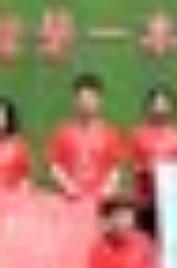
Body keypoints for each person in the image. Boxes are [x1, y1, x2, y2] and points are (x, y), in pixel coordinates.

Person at [47, 73, 126, 203]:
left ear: (99, 100)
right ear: (75, 101)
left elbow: (116, 168)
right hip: (69, 199)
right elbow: (54, 165)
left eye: (91, 98)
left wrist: (107, 189)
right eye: (82, 98)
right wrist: (68, 186)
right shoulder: (63, 132)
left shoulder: (110, 133)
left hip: (101, 199)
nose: (86, 103)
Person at [129, 84, 177, 232]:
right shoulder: (138, 134)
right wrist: (148, 169)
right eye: (155, 104)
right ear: (148, 108)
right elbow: (131, 166)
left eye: (164, 104)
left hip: (173, 201)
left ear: (172, 107)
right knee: (145, 239)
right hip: (145, 201)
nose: (160, 109)